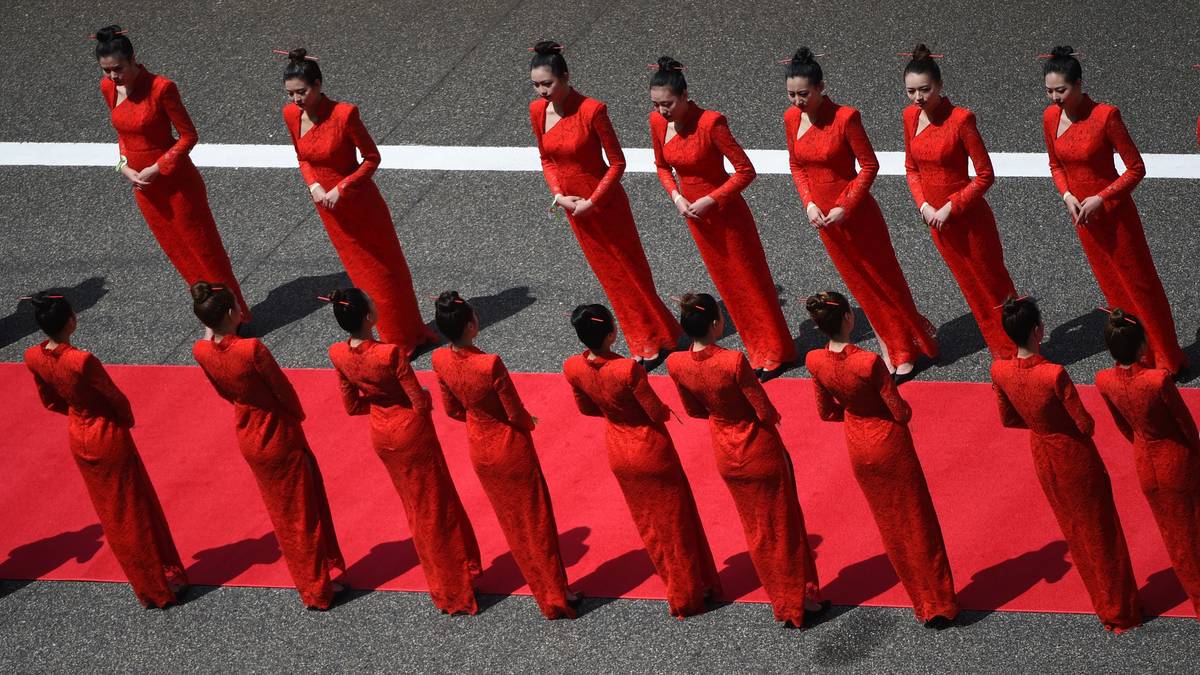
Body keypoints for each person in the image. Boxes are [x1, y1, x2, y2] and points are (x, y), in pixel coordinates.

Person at [665, 293, 826, 626]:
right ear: (714, 324)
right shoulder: (733, 361)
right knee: (782, 524)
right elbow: (763, 410)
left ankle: (781, 599)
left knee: (756, 530)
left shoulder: (676, 363)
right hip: (758, 448)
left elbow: (694, 410)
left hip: (725, 450)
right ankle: (798, 601)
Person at [22, 292, 188, 607]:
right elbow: (116, 399)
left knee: (113, 515)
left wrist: (76, 413)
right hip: (107, 436)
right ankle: (160, 584)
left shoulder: (33, 356)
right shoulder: (81, 360)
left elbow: (49, 400)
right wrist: (123, 421)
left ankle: (144, 584)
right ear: (70, 320)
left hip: (78, 434)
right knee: (135, 509)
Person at [804, 291, 959, 626]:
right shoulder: (868, 362)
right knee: (918, 521)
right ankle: (939, 602)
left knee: (890, 525)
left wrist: (854, 413)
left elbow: (826, 413)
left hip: (858, 445)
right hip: (890, 444)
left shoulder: (815, 361)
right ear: (847, 318)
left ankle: (919, 600)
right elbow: (900, 412)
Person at [325, 287, 482, 614]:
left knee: (417, 510)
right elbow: (420, 404)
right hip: (412, 435)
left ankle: (444, 580)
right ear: (369, 318)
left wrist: (382, 403)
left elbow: (352, 406)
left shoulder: (338, 354)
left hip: (383, 435)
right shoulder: (390, 355)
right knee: (435, 509)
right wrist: (417, 396)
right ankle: (454, 587)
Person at [990, 295, 1142, 632]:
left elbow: (1008, 420)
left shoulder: (999, 371)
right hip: (1073, 455)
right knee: (1102, 530)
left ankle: (1103, 603)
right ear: (1037, 330)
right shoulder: (1054, 374)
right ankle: (1122, 607)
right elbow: (1085, 425)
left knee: (1075, 531)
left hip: (1042, 454)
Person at [190, 281, 345, 610]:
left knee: (284, 514)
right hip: (277, 433)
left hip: (248, 431)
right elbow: (282, 390)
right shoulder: (251, 350)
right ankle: (317, 587)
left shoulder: (202, 351)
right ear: (232, 312)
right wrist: (296, 415)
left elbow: (220, 386)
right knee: (302, 512)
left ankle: (312, 580)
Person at [783, 47, 937, 378]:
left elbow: (869, 166)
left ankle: (907, 347)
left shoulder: (846, 117)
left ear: (821, 87)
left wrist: (844, 205)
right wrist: (808, 203)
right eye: (792, 95)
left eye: (804, 94)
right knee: (860, 286)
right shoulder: (791, 118)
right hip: (825, 221)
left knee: (884, 281)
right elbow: (796, 164)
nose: (798, 102)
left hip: (858, 216)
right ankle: (887, 346)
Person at [562, 303, 720, 617]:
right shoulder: (627, 369)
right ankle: (688, 590)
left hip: (619, 449)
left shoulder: (572, 367)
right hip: (650, 449)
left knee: (650, 525)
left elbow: (586, 409)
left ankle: (677, 583)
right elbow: (655, 411)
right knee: (676, 521)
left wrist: (614, 413)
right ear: (611, 334)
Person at [529, 42, 680, 365]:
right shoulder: (537, 111)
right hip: (574, 208)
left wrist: (593, 201)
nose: (542, 91)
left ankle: (658, 336)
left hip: (605, 204)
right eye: (536, 85)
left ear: (566, 77)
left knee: (631, 270)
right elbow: (546, 158)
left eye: (548, 83)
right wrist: (558, 195)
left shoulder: (592, 110)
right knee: (610, 276)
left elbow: (617, 163)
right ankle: (644, 338)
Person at [430, 292, 580, 619]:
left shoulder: (439, 361)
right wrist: (530, 422)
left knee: (512, 524)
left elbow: (453, 410)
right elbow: (514, 412)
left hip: (479, 447)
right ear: (471, 325)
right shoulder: (489, 363)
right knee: (536, 521)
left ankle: (544, 589)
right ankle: (557, 593)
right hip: (510, 447)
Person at [1041, 45, 1186, 374]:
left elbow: (1136, 168)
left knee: (1142, 286)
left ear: (1079, 84)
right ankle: (1137, 353)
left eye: (1061, 90)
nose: (1054, 98)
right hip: (1085, 220)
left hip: (1116, 217)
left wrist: (1101, 198)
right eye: (1049, 91)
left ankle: (1167, 357)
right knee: (1114, 289)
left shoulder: (1105, 115)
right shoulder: (1050, 118)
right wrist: (1066, 195)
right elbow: (1055, 165)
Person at [281, 48, 435, 356]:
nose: (296, 100)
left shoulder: (344, 114)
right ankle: (392, 331)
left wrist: (343, 187)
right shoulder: (291, 116)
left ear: (319, 84)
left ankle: (402, 337)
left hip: (360, 204)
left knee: (386, 271)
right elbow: (301, 157)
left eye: (302, 91)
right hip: (329, 209)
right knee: (362, 274)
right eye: (290, 94)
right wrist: (312, 185)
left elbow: (371, 158)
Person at [649, 57, 795, 379]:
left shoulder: (712, 123)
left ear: (686, 95)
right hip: (696, 218)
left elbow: (745, 171)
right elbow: (662, 166)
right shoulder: (657, 124)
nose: (663, 112)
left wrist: (710, 199)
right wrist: (676, 196)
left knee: (752, 283)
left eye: (668, 104)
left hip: (727, 216)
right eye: (657, 105)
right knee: (729, 287)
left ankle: (777, 351)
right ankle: (757, 349)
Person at [93, 25, 250, 318]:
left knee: (206, 251)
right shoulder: (109, 89)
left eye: (118, 69)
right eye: (106, 71)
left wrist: (157, 167)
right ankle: (211, 312)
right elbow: (122, 136)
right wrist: (123, 166)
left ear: (132, 59)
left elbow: (189, 136)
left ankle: (233, 313)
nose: (113, 77)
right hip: (144, 187)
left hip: (177, 183)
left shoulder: (161, 88)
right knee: (179, 253)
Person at [901, 44, 1017, 359]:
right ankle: (1000, 352)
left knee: (993, 283)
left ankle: (1019, 349)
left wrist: (950, 206)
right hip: (937, 221)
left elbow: (984, 175)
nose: (918, 97)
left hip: (968, 219)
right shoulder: (910, 117)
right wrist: (924, 207)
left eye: (925, 89)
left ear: (939, 86)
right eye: (911, 91)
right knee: (970, 288)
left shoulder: (961, 119)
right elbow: (911, 169)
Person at [1095, 308, 1200, 618]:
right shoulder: (1157, 381)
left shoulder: (1104, 381)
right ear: (1142, 345)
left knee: (1174, 536)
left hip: (1145, 461)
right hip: (1177, 459)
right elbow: (1187, 428)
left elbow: (1123, 426)